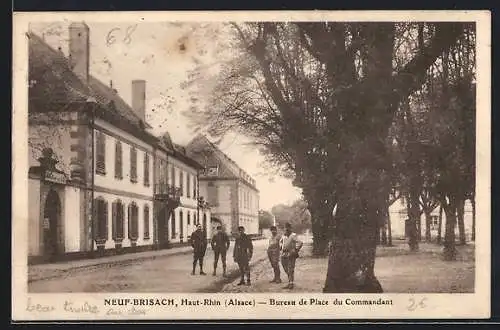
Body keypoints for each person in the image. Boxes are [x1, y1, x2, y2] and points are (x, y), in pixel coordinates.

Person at [279, 222, 303, 289]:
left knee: (290, 269)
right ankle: (290, 280)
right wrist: (281, 246)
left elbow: (300, 242)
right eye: (285, 228)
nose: (286, 229)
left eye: (288, 228)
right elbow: (280, 242)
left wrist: (295, 250)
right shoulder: (283, 236)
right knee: (285, 267)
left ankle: (291, 283)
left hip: (291, 254)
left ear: (290, 228)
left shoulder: (293, 235)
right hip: (283, 254)